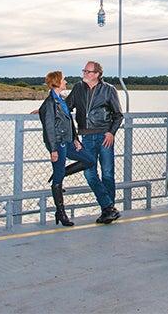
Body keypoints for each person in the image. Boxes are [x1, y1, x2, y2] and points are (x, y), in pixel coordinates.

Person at [65, 60, 123, 224]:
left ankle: (108, 211)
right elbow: (66, 106)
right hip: (86, 138)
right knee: (89, 173)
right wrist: (45, 109)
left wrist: (111, 133)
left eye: (88, 71)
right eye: (84, 71)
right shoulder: (78, 88)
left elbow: (118, 115)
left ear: (97, 74)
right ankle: (109, 207)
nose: (84, 74)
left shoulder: (109, 90)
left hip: (105, 137)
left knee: (107, 173)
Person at [38, 70, 95, 227]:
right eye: (63, 79)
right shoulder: (49, 104)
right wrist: (53, 150)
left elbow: (69, 121)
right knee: (57, 178)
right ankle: (61, 212)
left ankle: (60, 174)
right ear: (57, 82)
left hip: (69, 142)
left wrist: (76, 139)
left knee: (89, 160)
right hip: (58, 144)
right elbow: (49, 129)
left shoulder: (61, 100)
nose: (66, 81)